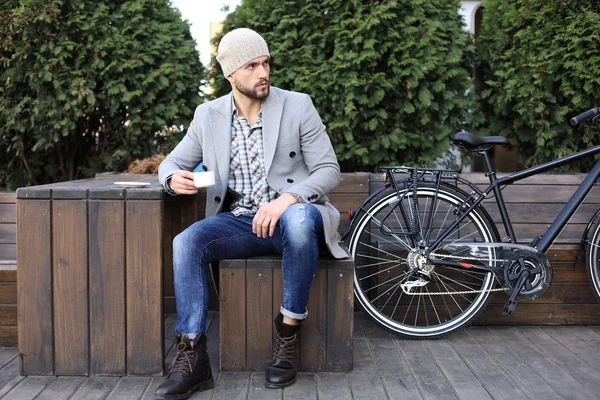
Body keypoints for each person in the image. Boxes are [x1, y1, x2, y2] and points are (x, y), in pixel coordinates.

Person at [154, 28, 347, 399]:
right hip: (242, 223)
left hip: (296, 219)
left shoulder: (297, 105)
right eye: (251, 66)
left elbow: (328, 169)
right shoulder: (208, 115)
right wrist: (171, 179)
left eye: (265, 62)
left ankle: (287, 336)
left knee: (299, 219)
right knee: (187, 241)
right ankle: (193, 356)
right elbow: (172, 162)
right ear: (230, 74)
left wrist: (289, 197)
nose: (264, 72)